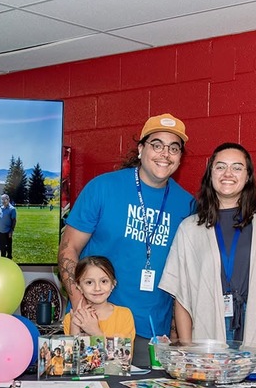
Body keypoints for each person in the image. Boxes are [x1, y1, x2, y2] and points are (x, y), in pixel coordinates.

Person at [58, 113, 195, 366]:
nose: (165, 153)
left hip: (152, 333)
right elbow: (68, 249)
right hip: (94, 324)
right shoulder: (102, 188)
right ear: (141, 149)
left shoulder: (187, 204)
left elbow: (183, 275)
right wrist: (81, 308)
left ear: (179, 158)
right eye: (157, 145)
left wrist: (177, 334)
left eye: (173, 148)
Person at [160, 142, 256, 345]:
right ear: (210, 174)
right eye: (220, 166)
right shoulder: (190, 228)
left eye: (237, 167)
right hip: (209, 326)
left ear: (247, 176)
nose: (228, 173)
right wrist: (188, 349)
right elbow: (181, 294)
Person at [62, 256, 136, 342]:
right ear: (79, 286)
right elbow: (71, 354)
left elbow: (124, 354)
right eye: (89, 282)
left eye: (104, 281)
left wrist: (95, 331)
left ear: (113, 284)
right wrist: (75, 328)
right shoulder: (71, 318)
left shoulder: (124, 315)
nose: (97, 288)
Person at [0, 194, 17, 258]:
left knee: (8, 247)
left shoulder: (12, 209)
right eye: (2, 199)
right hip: (0, 231)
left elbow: (14, 221)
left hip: (7, 232)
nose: (3, 201)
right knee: (2, 247)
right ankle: (3, 259)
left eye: (5, 199)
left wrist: (11, 231)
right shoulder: (1, 208)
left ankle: (9, 259)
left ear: (8, 200)